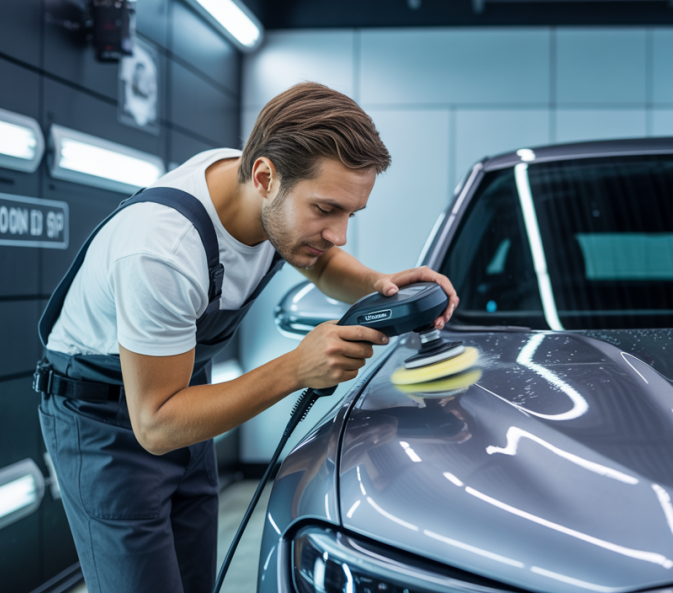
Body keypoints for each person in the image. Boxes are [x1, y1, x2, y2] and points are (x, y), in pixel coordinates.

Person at [32, 82, 458, 593]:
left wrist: (381, 285)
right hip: (107, 424)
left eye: (350, 213)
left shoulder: (270, 191)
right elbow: (156, 425)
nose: (339, 234)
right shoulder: (162, 252)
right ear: (264, 177)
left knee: (193, 580)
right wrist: (295, 369)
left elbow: (322, 262)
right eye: (326, 210)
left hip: (187, 398)